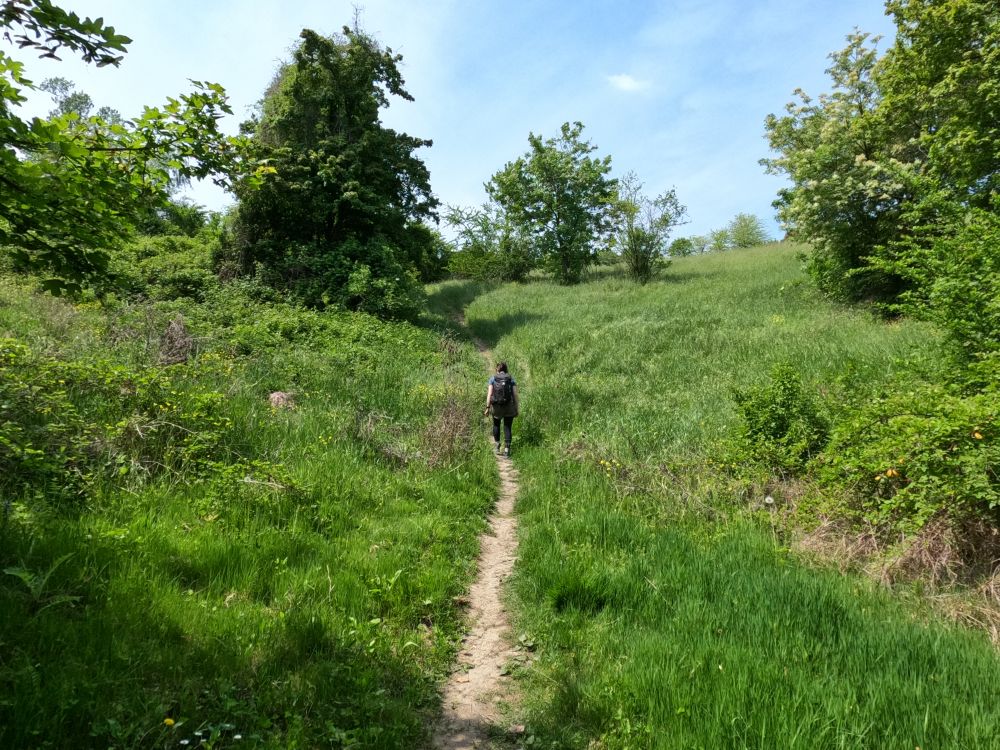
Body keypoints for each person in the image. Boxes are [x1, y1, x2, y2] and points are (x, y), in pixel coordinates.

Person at [483, 361, 518, 457]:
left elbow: (489, 394)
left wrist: (487, 407)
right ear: (506, 369)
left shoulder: (493, 379)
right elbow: (515, 395)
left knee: (496, 425)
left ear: (497, 369)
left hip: (496, 407)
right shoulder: (511, 379)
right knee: (507, 427)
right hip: (508, 406)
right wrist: (516, 408)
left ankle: (497, 446)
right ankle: (507, 450)